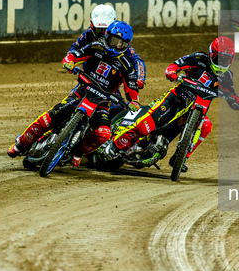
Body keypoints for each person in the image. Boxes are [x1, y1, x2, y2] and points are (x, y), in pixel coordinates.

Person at [104, 36, 239, 172]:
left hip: (195, 111)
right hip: (176, 98)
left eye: (225, 60)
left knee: (207, 126)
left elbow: (233, 98)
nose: (221, 63)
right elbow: (174, 66)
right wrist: (172, 73)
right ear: (211, 54)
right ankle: (115, 145)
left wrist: (238, 101)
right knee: (147, 125)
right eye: (219, 58)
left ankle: (180, 157)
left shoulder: (227, 77)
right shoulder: (198, 58)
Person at [8, 21, 140, 167]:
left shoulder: (127, 65)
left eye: (120, 43)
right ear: (107, 37)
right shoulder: (95, 47)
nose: (116, 46)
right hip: (82, 92)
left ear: (126, 45)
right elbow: (76, 54)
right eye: (113, 41)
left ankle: (78, 152)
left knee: (103, 134)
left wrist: (134, 101)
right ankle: (21, 144)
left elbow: (132, 85)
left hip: (102, 103)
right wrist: (69, 61)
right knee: (50, 117)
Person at [69, 4, 146, 91]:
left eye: (104, 30)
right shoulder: (88, 34)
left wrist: (139, 78)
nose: (101, 33)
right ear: (92, 24)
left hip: (109, 82)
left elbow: (136, 59)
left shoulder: (119, 42)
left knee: (115, 104)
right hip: (88, 78)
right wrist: (71, 62)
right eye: (98, 29)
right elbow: (74, 49)